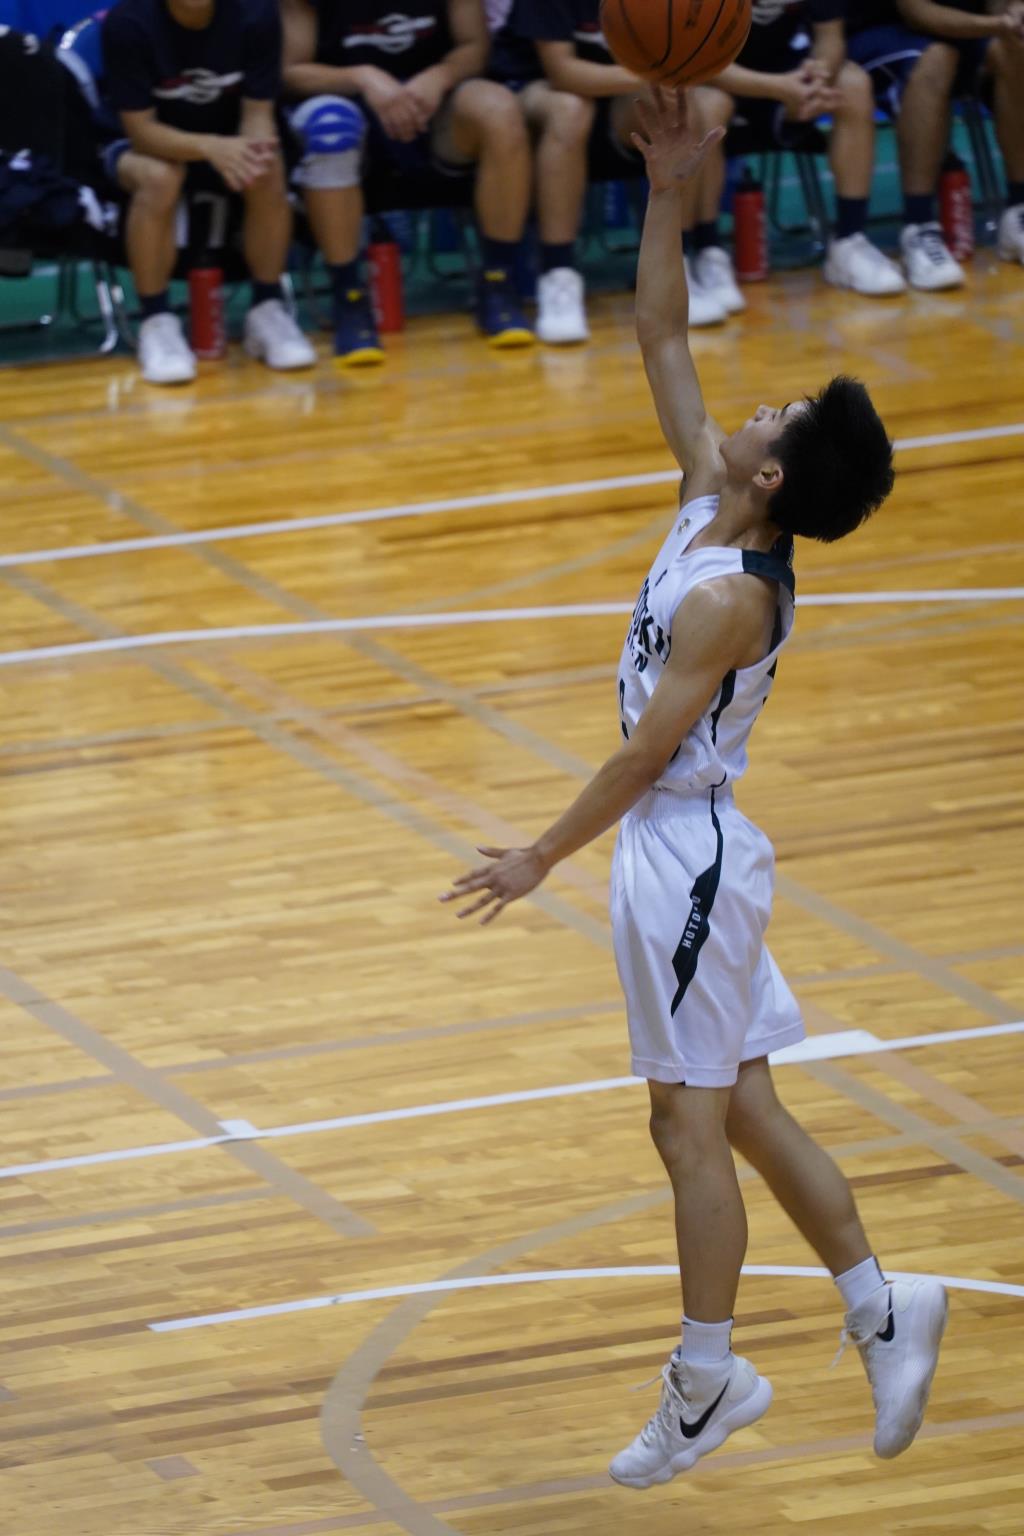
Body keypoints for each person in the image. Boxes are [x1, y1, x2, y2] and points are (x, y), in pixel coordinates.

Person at [442, 88, 948, 1486]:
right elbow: (660, 331)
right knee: (746, 1108)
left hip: (684, 857)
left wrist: (540, 855)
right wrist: (669, 185)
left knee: (686, 1122)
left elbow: (642, 758)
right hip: (697, 857)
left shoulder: (734, 596)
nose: (754, 403)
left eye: (776, 413)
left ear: (770, 474)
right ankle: (882, 1307)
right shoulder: (704, 501)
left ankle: (709, 1378)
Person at [279, 0, 535, 362]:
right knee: (330, 125)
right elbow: (290, 72)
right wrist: (361, 76)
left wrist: (440, 75)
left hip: (435, 105)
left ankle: (498, 283)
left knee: (500, 109)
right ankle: (349, 298)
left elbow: (475, 48)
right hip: (344, 100)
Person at [490, 0, 743, 331]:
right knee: (569, 111)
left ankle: (673, 269)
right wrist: (653, 76)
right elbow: (563, 72)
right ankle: (558, 274)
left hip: (620, 97)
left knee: (681, 104)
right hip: (542, 91)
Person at [101, 0, 316, 385]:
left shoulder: (256, 13)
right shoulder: (128, 23)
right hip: (142, 146)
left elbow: (258, 113)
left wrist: (253, 151)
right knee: (160, 177)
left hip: (226, 139)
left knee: (267, 166)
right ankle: (156, 321)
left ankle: (267, 309)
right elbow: (141, 132)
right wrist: (209, 147)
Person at [708, 0, 907, 295]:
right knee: (701, 106)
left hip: (786, 73)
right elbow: (693, 61)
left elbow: (830, 35)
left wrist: (818, 77)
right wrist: (778, 88)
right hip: (716, 77)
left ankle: (849, 241)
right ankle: (705, 253)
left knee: (852, 85)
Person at [845, 0, 1024, 286]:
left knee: (1014, 48)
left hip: (962, 27)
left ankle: (1018, 212)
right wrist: (998, 24)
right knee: (936, 58)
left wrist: (1012, 12)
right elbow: (918, 14)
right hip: (875, 31)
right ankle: (919, 228)